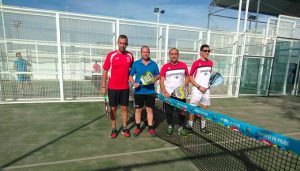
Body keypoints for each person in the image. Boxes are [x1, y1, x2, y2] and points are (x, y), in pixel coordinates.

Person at [101, 35, 134, 138]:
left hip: (124, 88)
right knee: (114, 109)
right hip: (113, 88)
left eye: (124, 43)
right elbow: (105, 72)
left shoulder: (130, 56)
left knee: (124, 108)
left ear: (127, 44)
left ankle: (124, 128)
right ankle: (114, 129)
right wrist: (103, 87)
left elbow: (131, 72)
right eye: (121, 43)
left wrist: (134, 82)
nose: (123, 45)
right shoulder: (111, 55)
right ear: (117, 43)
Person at [129, 46, 160, 137]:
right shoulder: (136, 64)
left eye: (147, 52)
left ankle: (150, 128)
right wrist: (133, 83)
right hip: (139, 92)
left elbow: (158, 75)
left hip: (150, 92)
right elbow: (130, 76)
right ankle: (138, 127)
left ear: (149, 53)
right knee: (138, 110)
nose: (145, 54)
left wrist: (155, 78)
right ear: (141, 53)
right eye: (144, 52)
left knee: (149, 110)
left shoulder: (153, 64)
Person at [160, 48, 190, 136]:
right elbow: (161, 81)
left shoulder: (183, 65)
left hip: (181, 95)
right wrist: (165, 92)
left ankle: (181, 127)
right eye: (172, 54)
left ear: (178, 55)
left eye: (175, 54)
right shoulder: (165, 67)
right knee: (169, 112)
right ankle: (170, 125)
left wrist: (186, 85)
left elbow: (187, 77)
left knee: (182, 111)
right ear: (169, 55)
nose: (174, 56)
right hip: (169, 94)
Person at [188, 44, 213, 134]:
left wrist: (207, 86)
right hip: (197, 90)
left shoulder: (210, 63)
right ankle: (190, 127)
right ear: (201, 52)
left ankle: (203, 127)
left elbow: (208, 76)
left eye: (208, 51)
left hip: (207, 90)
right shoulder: (196, 63)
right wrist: (199, 87)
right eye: (205, 51)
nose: (207, 52)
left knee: (205, 110)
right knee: (192, 109)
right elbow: (190, 77)